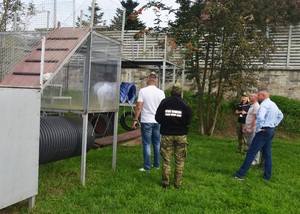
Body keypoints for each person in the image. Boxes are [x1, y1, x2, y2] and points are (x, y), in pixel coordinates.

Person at [234, 88, 284, 181]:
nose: (258, 96)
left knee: (251, 152)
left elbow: (260, 117)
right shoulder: (273, 104)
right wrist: (273, 124)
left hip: (263, 131)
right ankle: (267, 176)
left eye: (259, 95)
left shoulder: (264, 105)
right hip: (270, 130)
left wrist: (258, 129)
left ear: (263, 96)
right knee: (267, 154)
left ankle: (240, 174)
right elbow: (281, 115)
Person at [155, 83, 192, 189]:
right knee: (180, 160)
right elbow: (188, 121)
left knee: (166, 160)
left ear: (171, 91)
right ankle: (177, 184)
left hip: (166, 134)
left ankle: (165, 183)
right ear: (181, 92)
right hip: (181, 135)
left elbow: (157, 118)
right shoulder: (185, 104)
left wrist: (166, 123)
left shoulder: (164, 103)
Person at [132, 72, 165, 171]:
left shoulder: (143, 91)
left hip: (146, 120)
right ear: (156, 82)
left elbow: (138, 107)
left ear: (147, 81)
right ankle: (157, 165)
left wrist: (135, 119)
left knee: (146, 144)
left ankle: (147, 166)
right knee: (157, 143)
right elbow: (163, 108)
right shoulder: (161, 92)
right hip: (158, 121)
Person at [243, 92, 260, 165]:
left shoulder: (256, 106)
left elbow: (255, 119)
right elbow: (249, 117)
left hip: (252, 128)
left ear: (256, 98)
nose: (250, 97)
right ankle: (250, 157)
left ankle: (255, 160)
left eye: (252, 96)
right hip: (248, 127)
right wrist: (246, 126)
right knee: (249, 143)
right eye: (250, 96)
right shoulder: (251, 106)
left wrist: (251, 128)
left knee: (253, 144)